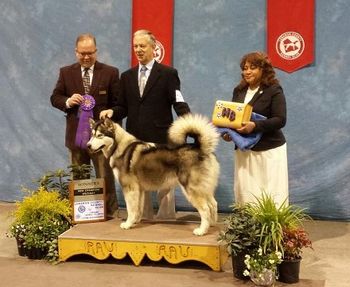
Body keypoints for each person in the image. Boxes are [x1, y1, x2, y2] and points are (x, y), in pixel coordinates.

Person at [100, 29, 191, 219]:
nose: (139, 50)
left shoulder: (168, 73)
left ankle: (166, 219)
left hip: (161, 137)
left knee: (165, 183)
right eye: (135, 46)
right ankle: (144, 218)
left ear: (154, 48)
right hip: (135, 138)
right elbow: (122, 107)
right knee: (140, 181)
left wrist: (189, 123)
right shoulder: (126, 76)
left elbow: (178, 101)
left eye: (143, 46)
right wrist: (112, 112)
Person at [50, 33, 119, 217]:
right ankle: (82, 216)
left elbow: (119, 104)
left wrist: (111, 114)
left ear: (96, 51)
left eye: (90, 53)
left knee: (106, 178)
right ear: (76, 52)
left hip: (101, 140)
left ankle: (111, 214)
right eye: (82, 53)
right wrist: (67, 101)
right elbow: (54, 98)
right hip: (76, 137)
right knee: (79, 178)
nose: (86, 57)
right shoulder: (66, 72)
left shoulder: (110, 72)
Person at [223, 51, 288, 206]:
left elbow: (280, 119)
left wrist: (255, 126)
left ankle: (271, 227)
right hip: (244, 150)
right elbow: (233, 118)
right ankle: (248, 227)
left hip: (269, 150)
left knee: (270, 193)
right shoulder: (238, 91)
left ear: (263, 70)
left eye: (253, 67)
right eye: (245, 68)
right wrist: (228, 133)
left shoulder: (274, 89)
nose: (247, 71)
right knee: (246, 191)